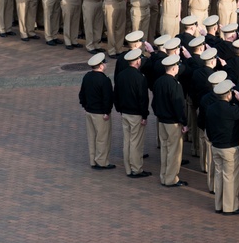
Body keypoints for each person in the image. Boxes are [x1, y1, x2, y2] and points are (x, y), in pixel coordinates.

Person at [206, 79, 239, 215]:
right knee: (230, 177)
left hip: (216, 146)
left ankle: (219, 204)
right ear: (229, 94)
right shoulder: (232, 110)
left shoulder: (211, 108)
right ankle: (230, 207)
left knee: (219, 175)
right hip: (230, 147)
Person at [152, 55, 189, 187]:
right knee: (174, 152)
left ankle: (164, 175)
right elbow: (179, 106)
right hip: (173, 123)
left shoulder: (159, 82)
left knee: (165, 150)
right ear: (174, 68)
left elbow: (154, 102)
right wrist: (184, 122)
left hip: (162, 121)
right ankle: (171, 178)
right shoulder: (175, 85)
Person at [114, 48, 151, 178]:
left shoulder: (121, 75)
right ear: (136, 61)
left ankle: (128, 168)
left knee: (127, 141)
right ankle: (136, 169)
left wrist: (119, 108)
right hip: (136, 114)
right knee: (136, 142)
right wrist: (144, 115)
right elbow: (143, 98)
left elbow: (116, 94)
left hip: (124, 112)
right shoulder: (140, 77)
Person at [79, 52, 114, 169]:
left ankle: (93, 160)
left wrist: (85, 106)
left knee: (92, 137)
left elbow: (82, 94)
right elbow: (107, 98)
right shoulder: (104, 80)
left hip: (89, 111)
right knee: (102, 138)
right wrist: (107, 111)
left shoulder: (87, 76)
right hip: (100, 113)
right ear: (101, 65)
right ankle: (102, 161)